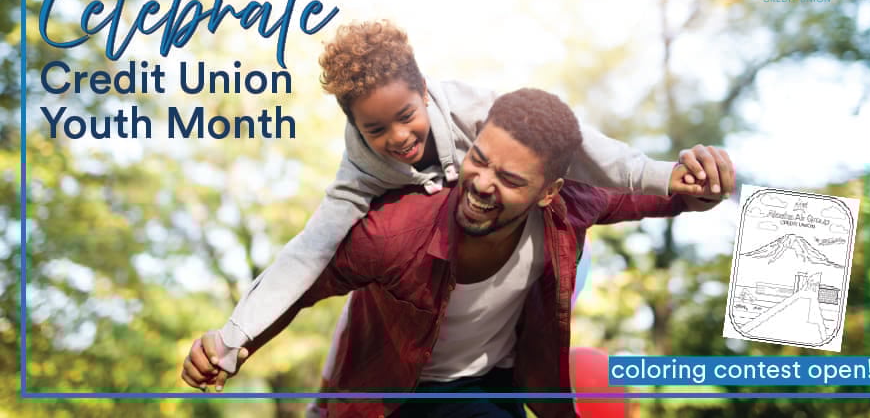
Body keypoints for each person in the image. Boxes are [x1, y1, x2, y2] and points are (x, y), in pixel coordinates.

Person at [207, 19, 728, 374]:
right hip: (404, 317)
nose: (398, 138)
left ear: (425, 92)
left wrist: (665, 179)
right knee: (363, 289)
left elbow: (578, 147)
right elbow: (307, 255)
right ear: (353, 126)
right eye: (375, 129)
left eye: (406, 115)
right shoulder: (358, 178)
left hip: (490, 367)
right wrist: (235, 337)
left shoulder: (473, 108)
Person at [182, 88, 735, 418]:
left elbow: (667, 197)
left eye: (510, 179)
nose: (482, 183)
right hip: (401, 390)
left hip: (491, 386)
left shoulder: (574, 204)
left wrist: (704, 183)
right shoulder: (394, 232)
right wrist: (236, 342)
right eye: (480, 159)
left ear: (548, 191)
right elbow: (308, 277)